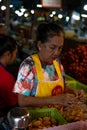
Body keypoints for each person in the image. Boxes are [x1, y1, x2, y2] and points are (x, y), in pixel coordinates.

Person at [13, 22, 85, 107]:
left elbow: (63, 87)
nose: (57, 52)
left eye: (60, 48)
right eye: (52, 47)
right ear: (40, 45)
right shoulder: (29, 65)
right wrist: (56, 100)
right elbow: (22, 101)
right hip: (35, 117)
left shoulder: (58, 64)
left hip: (55, 117)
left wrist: (73, 91)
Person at [0, 35, 18, 120]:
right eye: (15, 53)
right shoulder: (6, 78)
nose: (15, 57)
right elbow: (14, 104)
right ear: (8, 54)